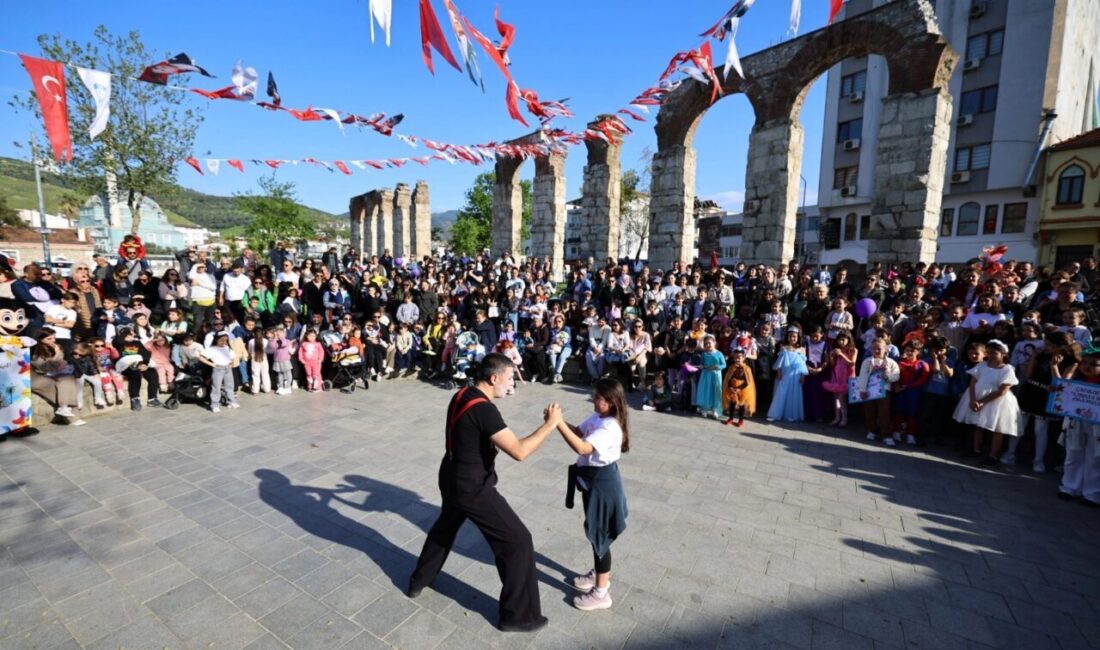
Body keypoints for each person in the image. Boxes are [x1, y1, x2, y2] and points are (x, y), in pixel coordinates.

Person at [408, 353, 558, 632]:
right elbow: (519, 451)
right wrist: (550, 425)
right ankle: (519, 616)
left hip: (451, 475)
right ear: (493, 378)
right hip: (472, 487)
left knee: (446, 526)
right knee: (518, 541)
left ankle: (419, 580)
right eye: (510, 378)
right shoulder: (484, 409)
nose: (512, 384)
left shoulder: (462, 393)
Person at [556, 377, 630, 611]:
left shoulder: (610, 427)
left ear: (611, 402)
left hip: (603, 484)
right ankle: (599, 573)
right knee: (595, 531)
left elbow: (582, 447)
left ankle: (601, 592)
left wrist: (557, 424)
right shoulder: (599, 417)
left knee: (599, 535)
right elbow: (578, 431)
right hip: (593, 481)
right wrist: (558, 421)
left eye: (598, 397)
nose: (593, 400)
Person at [953, 339, 1020, 468]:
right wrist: (973, 400)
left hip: (996, 401)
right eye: (988, 352)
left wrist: (982, 402)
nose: (990, 356)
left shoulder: (1007, 369)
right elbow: (972, 383)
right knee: (978, 424)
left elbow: (1002, 391)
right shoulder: (982, 365)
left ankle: (993, 456)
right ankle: (975, 450)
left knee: (997, 428)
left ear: (1003, 354)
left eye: (994, 353)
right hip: (976, 397)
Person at [1058, 348, 1100, 505]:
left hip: (1097, 426)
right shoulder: (1075, 381)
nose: (1087, 367)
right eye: (1085, 363)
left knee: (1095, 458)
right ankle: (1069, 487)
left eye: (1094, 364)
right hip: (1076, 421)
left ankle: (1092, 493)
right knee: (1073, 453)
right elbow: (1061, 395)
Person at [767, 326, 808, 422]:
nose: (792, 338)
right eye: (790, 336)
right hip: (785, 373)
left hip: (796, 374)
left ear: (798, 337)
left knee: (793, 393)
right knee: (781, 392)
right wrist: (779, 371)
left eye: (794, 336)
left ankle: (791, 415)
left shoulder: (801, 349)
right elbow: (779, 362)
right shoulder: (783, 348)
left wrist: (803, 376)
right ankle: (776, 413)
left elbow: (803, 364)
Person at [693, 334, 726, 419]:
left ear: (714, 343)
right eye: (706, 344)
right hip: (706, 374)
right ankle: (704, 408)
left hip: (715, 375)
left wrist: (717, 367)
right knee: (705, 390)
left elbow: (724, 365)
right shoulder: (704, 354)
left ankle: (715, 409)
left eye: (709, 343)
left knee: (715, 391)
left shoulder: (719, 353)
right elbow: (703, 364)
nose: (708, 345)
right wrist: (701, 366)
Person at [722, 348, 756, 427]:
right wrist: (730, 387)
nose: (737, 359)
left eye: (739, 357)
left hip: (743, 390)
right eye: (735, 357)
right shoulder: (731, 367)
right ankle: (730, 418)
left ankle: (741, 420)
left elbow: (748, 382)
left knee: (741, 406)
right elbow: (728, 379)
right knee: (732, 404)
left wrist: (739, 389)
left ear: (743, 358)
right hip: (733, 389)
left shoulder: (747, 369)